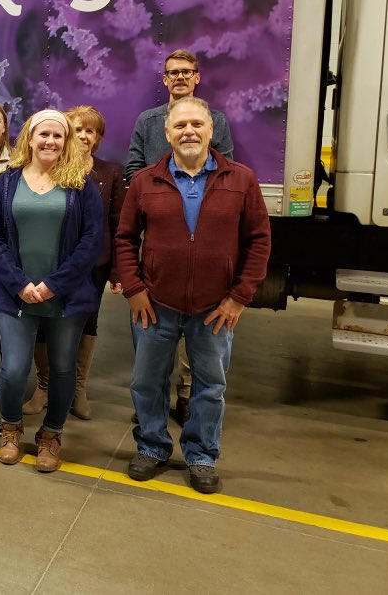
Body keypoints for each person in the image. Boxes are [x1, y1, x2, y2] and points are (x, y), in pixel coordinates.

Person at [116, 96, 270, 494]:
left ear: (211, 130)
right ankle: (151, 446)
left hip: (214, 309)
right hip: (155, 306)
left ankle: (202, 454)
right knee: (147, 383)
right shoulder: (146, 181)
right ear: (166, 133)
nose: (189, 131)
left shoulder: (241, 180)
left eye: (196, 125)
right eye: (180, 125)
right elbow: (125, 238)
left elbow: (259, 241)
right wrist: (133, 289)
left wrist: (239, 297)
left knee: (210, 386)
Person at [0, 110, 102, 471]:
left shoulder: (81, 183)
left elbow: (92, 240)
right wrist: (19, 283)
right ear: (29, 139)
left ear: (66, 143)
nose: (50, 141)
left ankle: (51, 434)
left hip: (66, 297)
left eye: (58, 136)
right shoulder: (5, 183)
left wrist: (54, 284)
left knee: (64, 369)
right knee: (15, 369)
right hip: (13, 294)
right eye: (43, 134)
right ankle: (12, 426)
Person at [125, 49, 235, 425]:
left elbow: (226, 169)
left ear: (197, 77)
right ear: (164, 80)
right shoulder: (147, 121)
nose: (180, 78)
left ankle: (187, 393)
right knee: (155, 335)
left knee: (202, 336)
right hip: (159, 235)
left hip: (202, 240)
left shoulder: (215, 119)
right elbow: (133, 167)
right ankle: (150, 424)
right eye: (173, 73)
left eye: (187, 72)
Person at [22, 105, 124, 420]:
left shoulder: (110, 172)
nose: (83, 135)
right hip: (53, 262)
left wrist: (118, 269)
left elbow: (118, 223)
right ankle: (44, 385)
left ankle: (77, 388)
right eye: (77, 129)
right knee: (44, 320)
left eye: (89, 131)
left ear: (98, 137)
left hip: (93, 265)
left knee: (86, 323)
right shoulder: (52, 167)